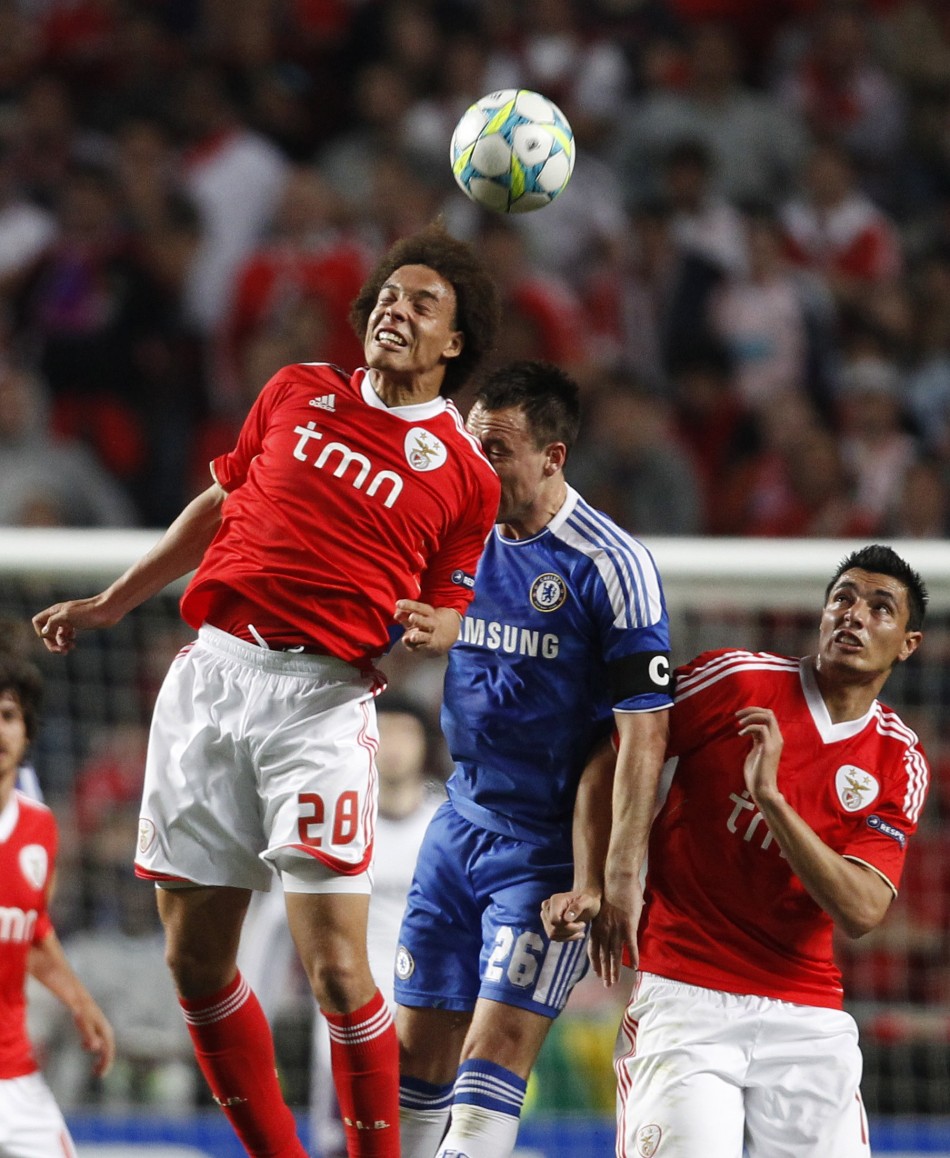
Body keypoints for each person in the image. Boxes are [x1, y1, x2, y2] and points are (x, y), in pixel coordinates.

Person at [32, 220, 502, 1158]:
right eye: (385, 297)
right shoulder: (297, 390)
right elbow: (219, 505)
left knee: (335, 966)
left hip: (324, 705)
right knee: (195, 962)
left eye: (421, 304)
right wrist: (117, 601)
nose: (392, 312)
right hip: (210, 677)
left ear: (455, 344)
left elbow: (454, 603)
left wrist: (446, 628)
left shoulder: (463, 473)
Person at [544, 543, 931, 1158]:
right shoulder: (738, 679)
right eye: (843, 599)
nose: (854, 615)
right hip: (686, 991)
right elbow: (610, 757)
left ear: (908, 643)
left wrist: (771, 801)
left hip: (807, 1013)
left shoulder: (897, 758)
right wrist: (598, 879)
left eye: (880, 607)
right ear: (823, 614)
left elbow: (861, 911)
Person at [395, 359, 673, 1158]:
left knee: (494, 1055)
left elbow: (643, 732)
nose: (475, 466)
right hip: (458, 818)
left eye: (497, 451)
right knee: (416, 1061)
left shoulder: (611, 565)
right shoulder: (460, 528)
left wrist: (617, 876)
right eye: (472, 446)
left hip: (547, 848)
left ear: (552, 456)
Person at [0, 652, 116, 1158]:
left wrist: (80, 1001)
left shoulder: (40, 827)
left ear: (27, 731)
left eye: (7, 716)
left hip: (13, 1071)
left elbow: (33, 929)